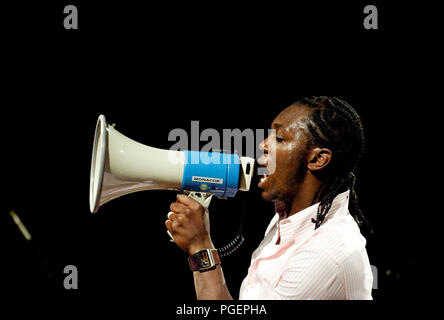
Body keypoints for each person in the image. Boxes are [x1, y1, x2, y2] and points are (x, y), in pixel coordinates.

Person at [165, 96, 373, 300]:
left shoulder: (324, 255)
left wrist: (200, 247)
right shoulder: (290, 219)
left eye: (279, 138)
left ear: (318, 159)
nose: (264, 144)